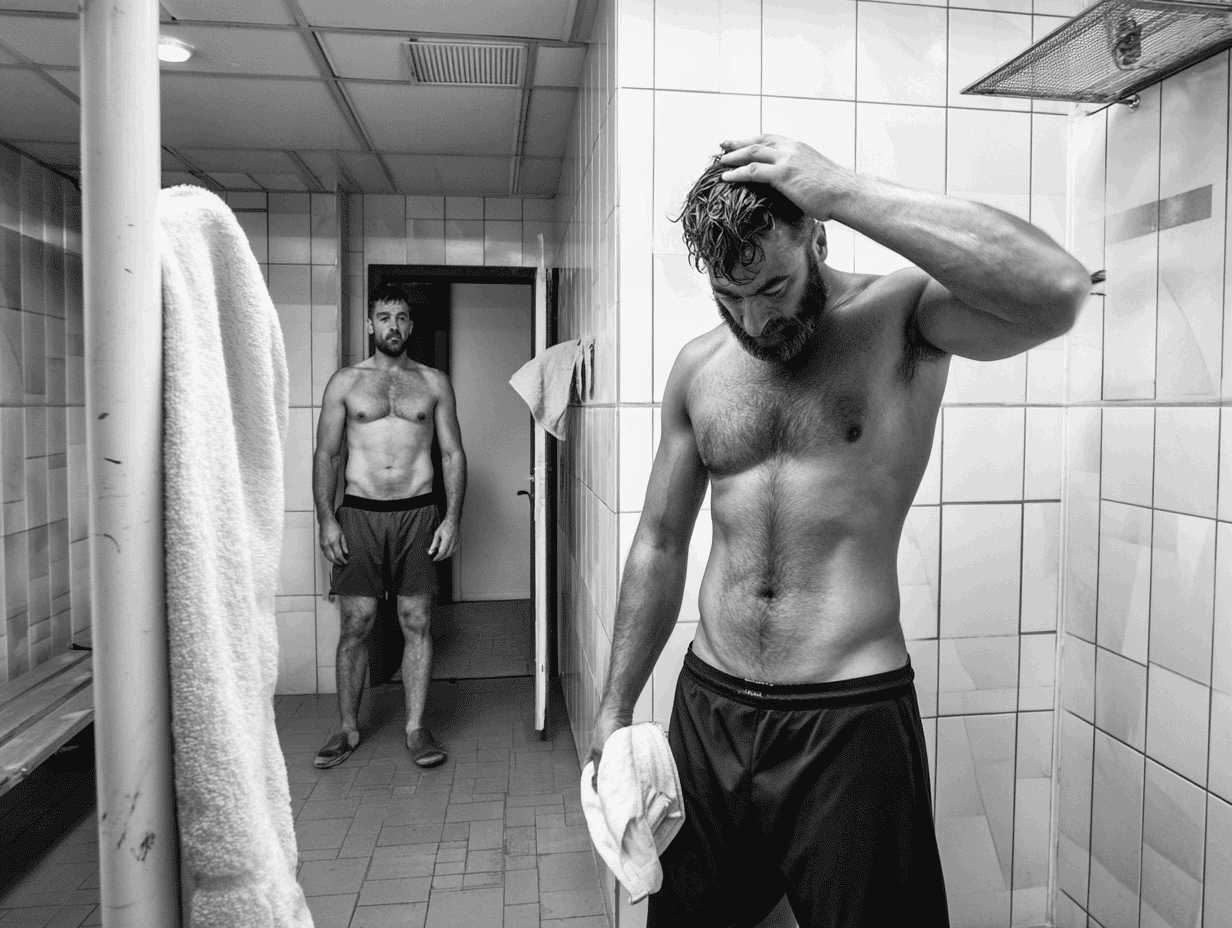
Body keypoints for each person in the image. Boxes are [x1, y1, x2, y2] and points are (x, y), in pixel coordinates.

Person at [586, 135, 1090, 927]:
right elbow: (659, 541)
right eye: (730, 295)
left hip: (848, 722)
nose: (755, 319)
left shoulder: (901, 323)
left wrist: (841, 185)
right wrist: (614, 709)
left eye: (776, 286)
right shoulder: (699, 368)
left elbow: (1054, 290)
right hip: (710, 709)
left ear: (818, 235)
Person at [313, 283, 467, 770]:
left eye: (401, 317)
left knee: (416, 623)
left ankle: (416, 727)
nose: (393, 326)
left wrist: (452, 518)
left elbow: (452, 454)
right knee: (355, 623)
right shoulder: (345, 383)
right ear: (370, 324)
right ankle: (347, 727)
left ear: (411, 325)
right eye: (383, 317)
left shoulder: (434, 382)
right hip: (359, 514)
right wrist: (326, 520)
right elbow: (327, 454)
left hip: (418, 515)